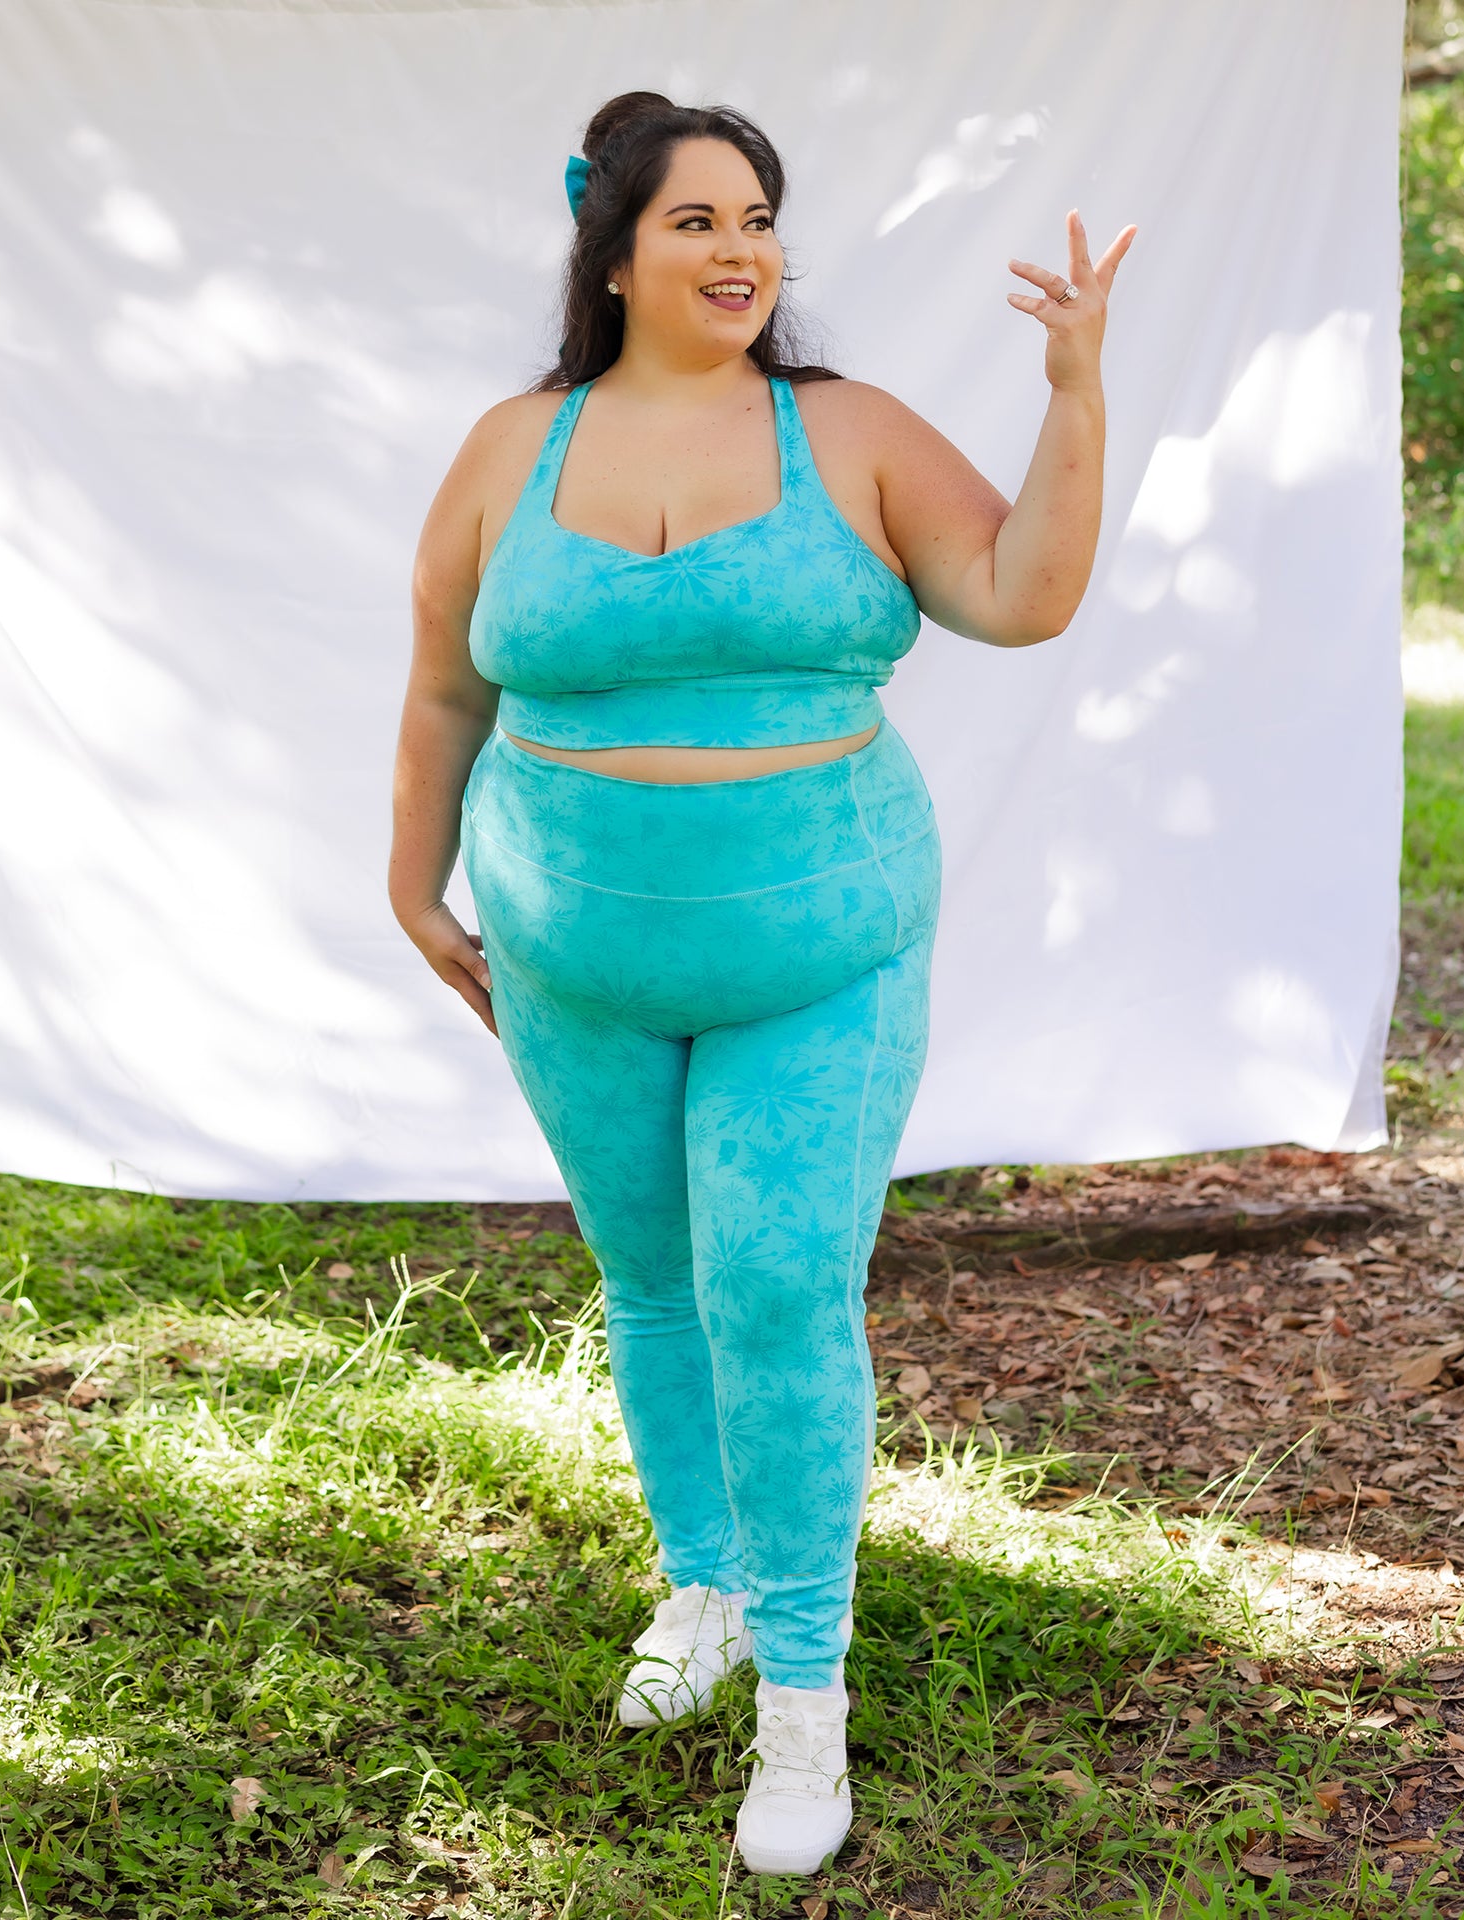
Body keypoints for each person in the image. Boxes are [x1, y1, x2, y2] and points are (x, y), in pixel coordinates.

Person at [391, 90, 1132, 1877]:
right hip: (573, 959)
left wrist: (1076, 390)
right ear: (613, 251)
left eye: (759, 219)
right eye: (698, 220)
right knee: (654, 1278)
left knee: (782, 1287)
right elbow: (444, 684)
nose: (741, 252)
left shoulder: (846, 431)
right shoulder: (510, 447)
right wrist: (410, 884)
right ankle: (705, 1583)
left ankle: (804, 1696)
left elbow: (1020, 596)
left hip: (820, 951)